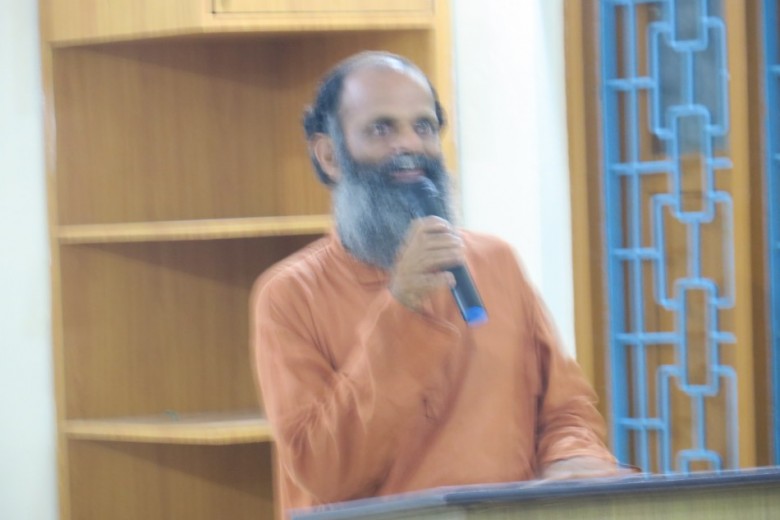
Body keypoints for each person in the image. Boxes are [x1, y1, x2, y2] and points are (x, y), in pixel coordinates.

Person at [250, 51, 627, 515]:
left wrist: (573, 460)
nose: (409, 145)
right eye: (381, 129)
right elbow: (325, 471)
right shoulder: (291, 294)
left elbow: (565, 410)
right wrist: (402, 306)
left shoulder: (495, 263)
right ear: (329, 156)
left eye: (424, 126)